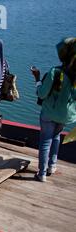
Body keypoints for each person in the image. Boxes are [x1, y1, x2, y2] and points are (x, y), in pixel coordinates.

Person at [31, 37, 76, 182]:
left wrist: (37, 79)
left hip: (49, 113)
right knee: (57, 136)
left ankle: (42, 173)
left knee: (45, 141)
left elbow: (42, 93)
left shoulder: (54, 72)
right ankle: (52, 166)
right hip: (66, 115)